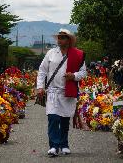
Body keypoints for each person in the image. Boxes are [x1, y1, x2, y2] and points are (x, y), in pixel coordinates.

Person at [37, 29, 87, 157]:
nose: (60, 40)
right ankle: (53, 146)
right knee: (53, 118)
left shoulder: (77, 55)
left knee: (65, 119)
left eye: (63, 37)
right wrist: (40, 87)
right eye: (59, 37)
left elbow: (83, 73)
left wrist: (74, 75)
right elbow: (42, 71)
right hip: (53, 91)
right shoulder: (51, 53)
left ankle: (64, 144)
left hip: (68, 92)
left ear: (69, 40)